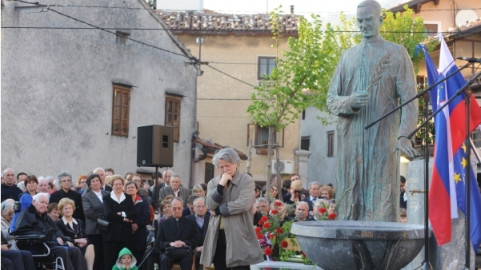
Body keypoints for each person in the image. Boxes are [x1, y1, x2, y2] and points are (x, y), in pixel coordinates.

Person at [326, 0, 418, 222]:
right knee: (350, 202)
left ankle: (381, 252)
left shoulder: (397, 53)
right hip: (351, 141)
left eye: (368, 20)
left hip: (382, 139)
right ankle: (351, 252)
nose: (363, 25)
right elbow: (331, 100)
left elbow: (410, 101)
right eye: (359, 21)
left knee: (381, 202)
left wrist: (404, 135)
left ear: (380, 19)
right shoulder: (347, 56)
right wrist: (349, 101)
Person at [200, 148, 263, 269]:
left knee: (241, 267)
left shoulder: (246, 181)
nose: (224, 170)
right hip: (218, 234)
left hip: (239, 234)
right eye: (221, 167)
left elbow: (243, 204)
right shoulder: (213, 183)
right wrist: (220, 186)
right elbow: (209, 205)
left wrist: (219, 210)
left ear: (236, 163)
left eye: (227, 166)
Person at [14, 193, 88, 270]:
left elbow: (56, 230)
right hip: (38, 246)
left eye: (46, 203)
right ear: (34, 202)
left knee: (75, 250)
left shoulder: (45, 216)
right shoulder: (26, 214)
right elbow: (20, 231)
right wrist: (41, 236)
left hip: (51, 244)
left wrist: (64, 238)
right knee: (62, 251)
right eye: (42, 202)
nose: (44, 205)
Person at [156, 197, 201, 270]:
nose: (177, 210)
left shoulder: (190, 223)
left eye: (179, 208)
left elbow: (196, 239)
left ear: (183, 208)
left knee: (187, 260)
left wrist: (184, 243)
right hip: (169, 252)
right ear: (171, 208)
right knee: (164, 259)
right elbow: (158, 243)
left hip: (185, 252)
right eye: (174, 208)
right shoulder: (164, 224)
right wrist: (170, 243)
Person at [102, 175, 136, 270]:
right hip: (111, 234)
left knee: (125, 261)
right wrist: (124, 218)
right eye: (116, 184)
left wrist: (121, 213)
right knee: (110, 260)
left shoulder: (128, 197)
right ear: (112, 186)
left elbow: (133, 213)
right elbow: (109, 214)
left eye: (120, 184)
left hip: (125, 234)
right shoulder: (106, 198)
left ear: (123, 185)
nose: (118, 186)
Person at [57, 198, 95, 270]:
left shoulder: (79, 221)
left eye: (70, 208)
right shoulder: (59, 223)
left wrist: (85, 241)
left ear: (73, 209)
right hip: (70, 246)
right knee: (76, 250)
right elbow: (62, 237)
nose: (68, 210)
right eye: (66, 208)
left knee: (90, 246)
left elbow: (85, 236)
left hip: (81, 246)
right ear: (61, 210)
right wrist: (77, 240)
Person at [82, 173, 109, 270]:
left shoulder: (107, 194)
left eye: (97, 180)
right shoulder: (86, 196)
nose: (96, 183)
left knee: (105, 253)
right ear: (89, 184)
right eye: (93, 181)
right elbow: (88, 212)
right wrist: (105, 216)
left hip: (107, 228)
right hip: (94, 229)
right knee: (96, 253)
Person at [125, 181, 150, 265]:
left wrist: (137, 224)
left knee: (138, 258)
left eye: (132, 187)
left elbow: (146, 216)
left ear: (137, 189)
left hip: (140, 234)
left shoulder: (143, 201)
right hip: (127, 234)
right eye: (128, 188)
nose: (130, 189)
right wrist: (130, 224)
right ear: (125, 190)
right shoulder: (123, 201)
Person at [186, 197, 209, 270]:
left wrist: (206, 248)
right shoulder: (187, 220)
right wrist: (195, 248)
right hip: (192, 250)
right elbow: (185, 237)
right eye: (198, 206)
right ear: (193, 208)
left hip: (208, 249)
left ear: (206, 208)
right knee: (197, 255)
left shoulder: (211, 219)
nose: (201, 209)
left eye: (203, 206)